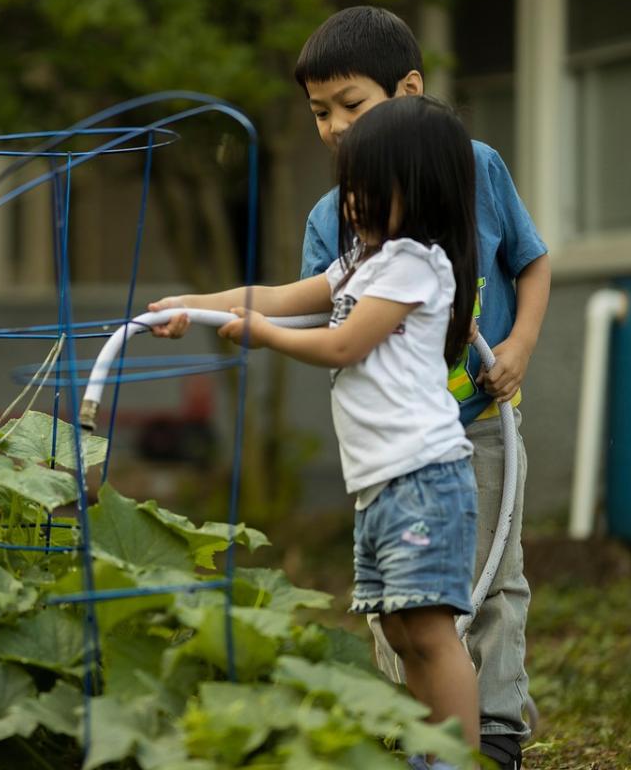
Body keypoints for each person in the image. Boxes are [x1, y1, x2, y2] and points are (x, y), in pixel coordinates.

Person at [150, 95, 482, 763]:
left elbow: (341, 345)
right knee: (397, 628)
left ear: (418, 189)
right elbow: (271, 297)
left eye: (368, 189)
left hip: (424, 477)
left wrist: (266, 337)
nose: (352, 203)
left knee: (431, 631)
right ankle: (425, 753)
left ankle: (459, 760)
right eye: (349, 188)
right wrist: (191, 305)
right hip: (381, 485)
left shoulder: (417, 263)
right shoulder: (358, 265)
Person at [295, 6, 551, 770]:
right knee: (397, 593)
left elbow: (533, 263)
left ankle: (496, 728)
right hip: (396, 447)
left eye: (352, 105)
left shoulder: (479, 170)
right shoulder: (330, 217)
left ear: (409, 90)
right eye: (319, 113)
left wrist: (519, 345)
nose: (337, 127)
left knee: (493, 578)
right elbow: (325, 317)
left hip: (479, 420)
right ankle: (413, 725)